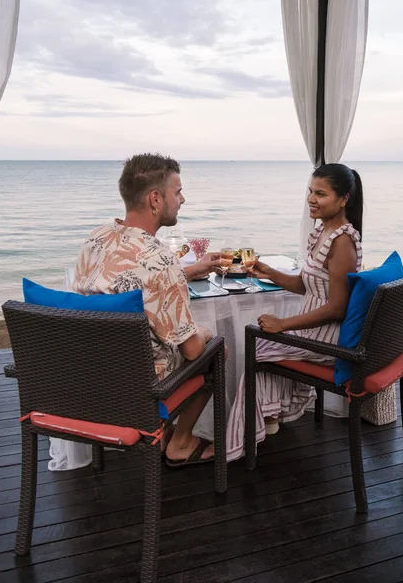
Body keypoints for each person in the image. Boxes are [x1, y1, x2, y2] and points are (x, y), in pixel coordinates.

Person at [73, 153, 222, 466]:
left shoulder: (96, 238)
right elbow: (193, 351)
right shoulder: (162, 261)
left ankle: (166, 434)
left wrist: (188, 271)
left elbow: (128, 282)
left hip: (89, 373)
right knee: (213, 350)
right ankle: (179, 442)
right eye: (177, 192)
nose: (183, 199)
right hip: (140, 388)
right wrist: (204, 332)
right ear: (156, 199)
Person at [226, 163, 363, 461]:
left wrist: (284, 324)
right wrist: (266, 270)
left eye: (321, 194)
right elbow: (306, 285)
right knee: (261, 341)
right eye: (310, 192)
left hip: (328, 338)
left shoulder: (342, 242)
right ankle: (269, 418)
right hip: (312, 328)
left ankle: (240, 441)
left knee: (255, 347)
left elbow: (338, 308)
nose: (311, 199)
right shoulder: (322, 232)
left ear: (343, 199)